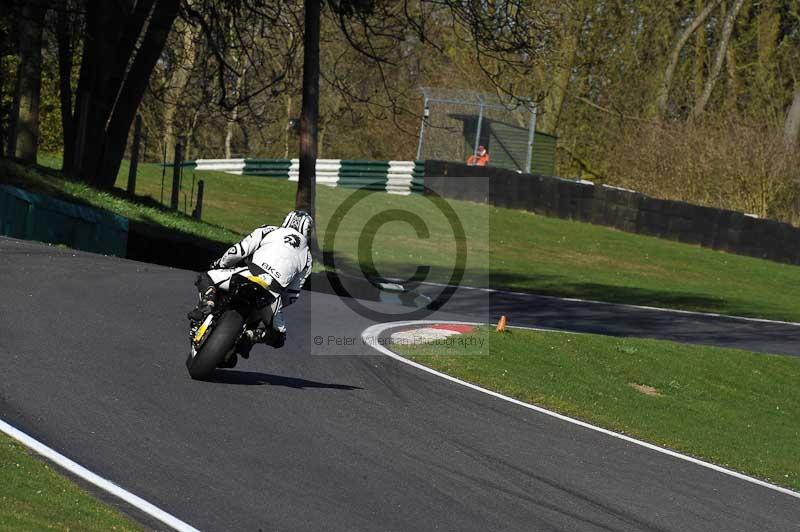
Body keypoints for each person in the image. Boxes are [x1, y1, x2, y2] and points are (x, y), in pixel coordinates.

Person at [187, 210, 314, 357]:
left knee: (206, 276)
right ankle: (253, 336)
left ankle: (207, 302)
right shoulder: (308, 259)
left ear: (287, 220)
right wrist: (277, 305)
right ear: (308, 231)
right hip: (273, 294)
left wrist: (220, 264)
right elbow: (292, 295)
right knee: (279, 338)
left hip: (250, 274)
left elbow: (238, 251)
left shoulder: (268, 230)